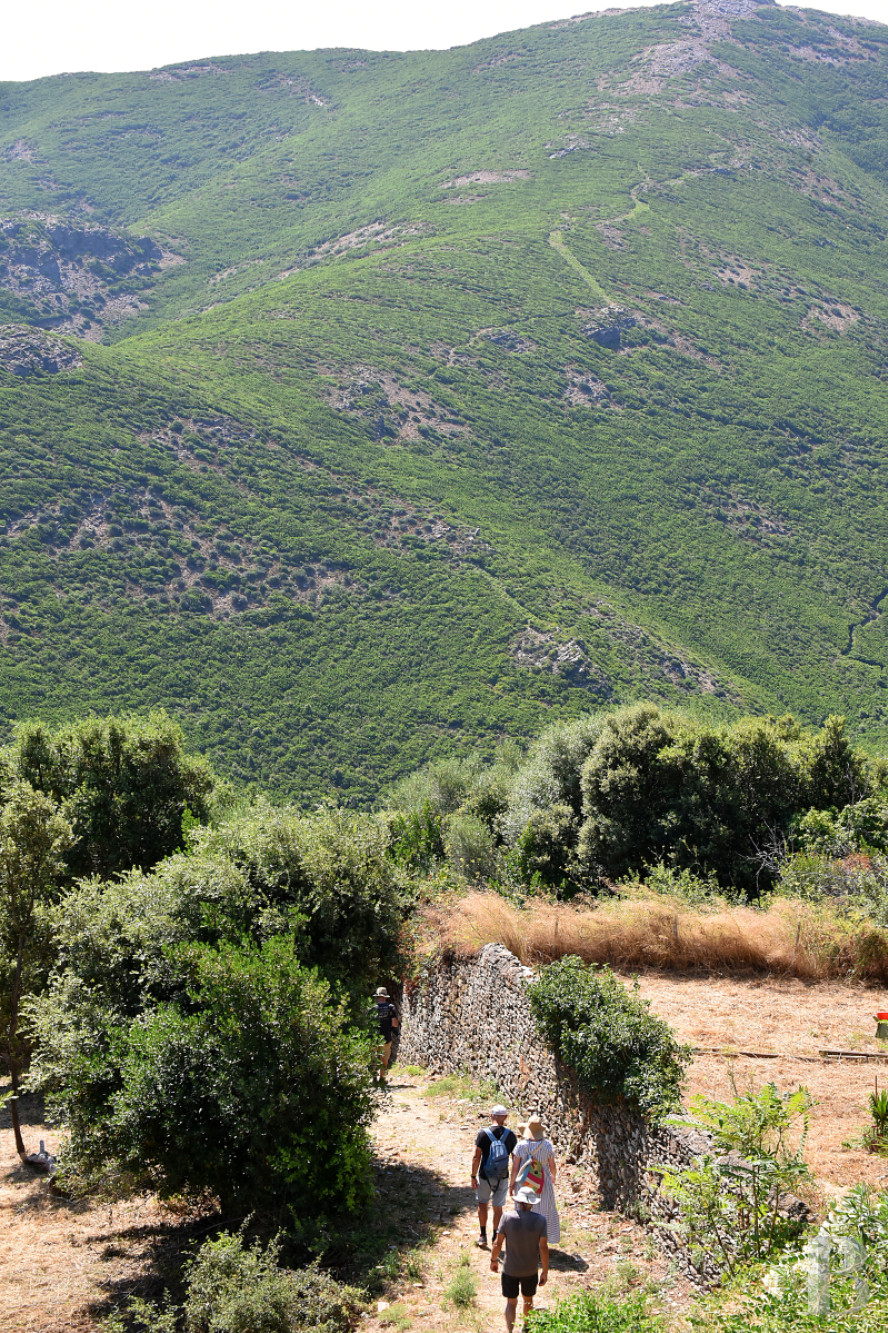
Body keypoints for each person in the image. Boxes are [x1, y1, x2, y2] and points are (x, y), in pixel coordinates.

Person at [490, 1184, 549, 1332]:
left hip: (510, 1269)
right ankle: (526, 1328)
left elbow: (497, 1243)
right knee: (528, 1300)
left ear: (518, 1201)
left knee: (511, 1302)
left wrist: (493, 1260)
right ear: (531, 1203)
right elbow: (543, 1247)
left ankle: (510, 1330)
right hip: (530, 1270)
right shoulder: (540, 1220)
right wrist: (545, 1271)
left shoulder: (507, 1218)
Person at [470, 1103, 517, 1249]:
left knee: (482, 1204)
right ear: (505, 1117)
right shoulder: (511, 1135)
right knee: (498, 1207)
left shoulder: (483, 1133)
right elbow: (515, 1159)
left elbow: (476, 1157)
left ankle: (482, 1235)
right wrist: (514, 1181)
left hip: (485, 1175)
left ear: (491, 1116)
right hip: (502, 1176)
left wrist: (473, 1176)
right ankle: (496, 1236)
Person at [509, 1115, 560, 1244]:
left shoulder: (521, 1146)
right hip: (543, 1182)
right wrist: (553, 1176)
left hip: (524, 1183)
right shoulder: (547, 1145)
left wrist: (511, 1184)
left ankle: (525, 1239)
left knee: (523, 1210)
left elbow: (515, 1168)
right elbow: (552, 1166)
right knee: (544, 1210)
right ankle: (541, 1240)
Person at [373, 986, 399, 1072]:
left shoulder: (372, 1008)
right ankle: (382, 1079)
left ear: (377, 996)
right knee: (384, 1060)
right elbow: (394, 1023)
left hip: (374, 1038)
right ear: (385, 996)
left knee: (373, 1060)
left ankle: (373, 1079)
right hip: (386, 1037)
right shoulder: (390, 1007)